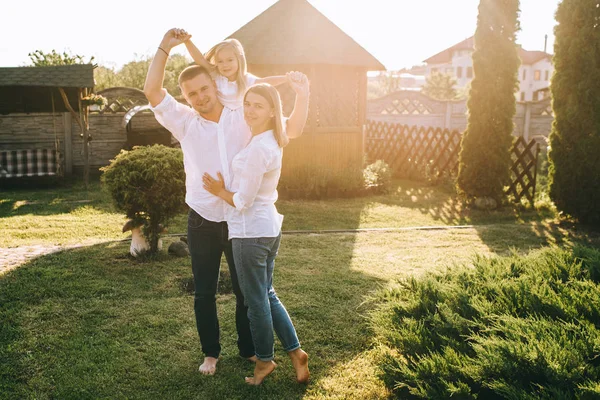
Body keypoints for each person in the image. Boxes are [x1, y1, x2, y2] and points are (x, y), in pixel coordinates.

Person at [143, 28, 306, 376]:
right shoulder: (184, 123)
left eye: (204, 89)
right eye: (192, 94)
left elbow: (287, 129)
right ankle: (210, 354)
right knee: (204, 292)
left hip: (239, 220)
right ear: (186, 98)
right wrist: (165, 48)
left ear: (215, 85)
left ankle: (249, 350)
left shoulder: (243, 116)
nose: (200, 97)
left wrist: (299, 93)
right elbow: (152, 91)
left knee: (245, 293)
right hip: (202, 218)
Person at [202, 79, 310, 385]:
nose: (249, 110)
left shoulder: (258, 149)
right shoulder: (269, 140)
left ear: (272, 112)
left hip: (250, 233)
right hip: (266, 229)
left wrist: (219, 190)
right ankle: (296, 353)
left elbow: (242, 201)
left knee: (256, 301)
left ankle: (264, 361)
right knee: (267, 294)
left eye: (258, 106)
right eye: (247, 104)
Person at [183, 36, 288, 109]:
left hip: (240, 119)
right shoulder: (217, 76)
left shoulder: (246, 80)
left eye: (230, 60)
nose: (225, 65)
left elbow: (266, 81)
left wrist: (287, 78)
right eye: (220, 61)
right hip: (221, 117)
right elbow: (200, 59)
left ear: (239, 60)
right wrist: (187, 41)